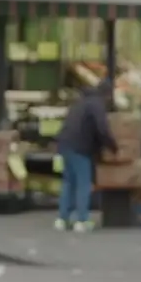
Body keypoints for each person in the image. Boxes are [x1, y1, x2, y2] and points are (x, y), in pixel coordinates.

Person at [53, 82, 117, 232]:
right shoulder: (97, 105)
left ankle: (62, 219)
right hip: (80, 147)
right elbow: (102, 128)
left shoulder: (81, 102)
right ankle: (82, 220)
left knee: (68, 182)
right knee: (83, 183)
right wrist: (112, 146)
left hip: (65, 145)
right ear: (107, 94)